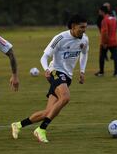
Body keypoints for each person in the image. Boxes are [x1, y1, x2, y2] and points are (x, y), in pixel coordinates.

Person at [11, 14, 89, 143]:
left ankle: (18, 125)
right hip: (55, 71)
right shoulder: (60, 38)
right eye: (81, 27)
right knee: (65, 97)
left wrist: (82, 71)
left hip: (67, 76)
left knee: (49, 111)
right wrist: (46, 69)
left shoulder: (84, 39)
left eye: (85, 27)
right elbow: (44, 57)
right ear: (73, 26)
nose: (84, 30)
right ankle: (41, 129)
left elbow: (85, 54)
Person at [95, 5, 117, 77]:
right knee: (115, 57)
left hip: (106, 42)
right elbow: (116, 29)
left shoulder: (104, 20)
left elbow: (104, 32)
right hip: (114, 40)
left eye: (99, 11)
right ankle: (116, 73)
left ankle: (101, 72)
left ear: (103, 12)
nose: (99, 13)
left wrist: (105, 42)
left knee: (102, 56)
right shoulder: (114, 19)